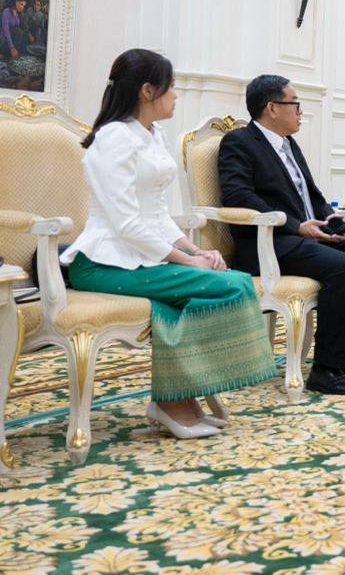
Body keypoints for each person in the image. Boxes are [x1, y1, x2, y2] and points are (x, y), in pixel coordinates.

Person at [60, 49, 275, 439]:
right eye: (170, 87)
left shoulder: (152, 134)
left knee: (182, 303)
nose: (176, 95)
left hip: (144, 259)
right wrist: (185, 261)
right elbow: (126, 224)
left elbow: (157, 214)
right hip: (103, 262)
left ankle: (177, 398)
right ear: (147, 91)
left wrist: (195, 250)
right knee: (233, 284)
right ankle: (176, 400)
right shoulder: (113, 138)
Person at [218, 75, 345, 395]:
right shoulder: (239, 143)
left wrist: (329, 218)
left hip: (307, 238)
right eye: (295, 104)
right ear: (272, 108)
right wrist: (296, 226)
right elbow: (238, 196)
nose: (301, 112)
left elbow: (311, 194)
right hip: (270, 244)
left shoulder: (288, 143)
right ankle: (326, 369)